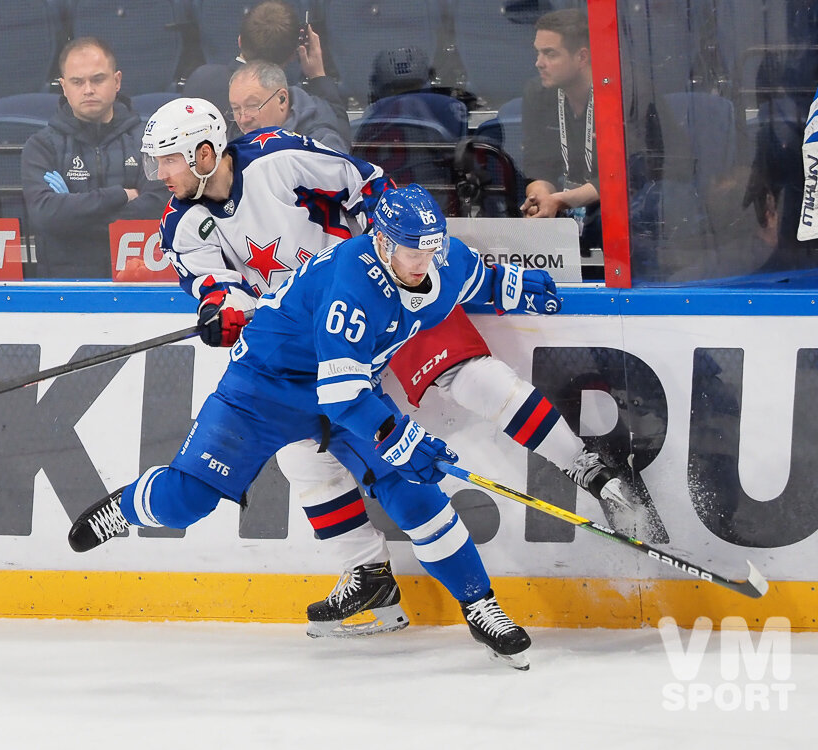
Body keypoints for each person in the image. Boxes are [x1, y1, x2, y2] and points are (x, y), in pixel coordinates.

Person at [134, 98, 641, 639]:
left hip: (387, 292)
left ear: (204, 151)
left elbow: (369, 184)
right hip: (314, 334)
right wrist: (224, 309)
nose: (160, 174)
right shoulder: (181, 224)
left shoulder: (275, 158)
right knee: (306, 458)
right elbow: (213, 288)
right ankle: (369, 578)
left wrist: (395, 258)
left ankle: (586, 467)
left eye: (169, 159)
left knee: (473, 376)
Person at [69, 184, 564, 670]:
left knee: (413, 490)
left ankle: (480, 606)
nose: (424, 262)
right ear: (384, 243)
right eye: (413, 251)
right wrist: (404, 440)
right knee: (185, 502)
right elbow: (343, 396)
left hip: (343, 386)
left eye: (431, 249)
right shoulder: (353, 282)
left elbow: (477, 280)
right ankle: (126, 507)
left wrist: (518, 289)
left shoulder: (441, 258)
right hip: (263, 387)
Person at [21, 37, 168, 278]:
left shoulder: (149, 139)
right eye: (77, 82)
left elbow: (158, 207)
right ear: (64, 86)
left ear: (117, 81)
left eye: (98, 79)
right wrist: (120, 195)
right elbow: (44, 215)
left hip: (138, 278)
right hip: (63, 285)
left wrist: (73, 213)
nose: (88, 89)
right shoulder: (40, 145)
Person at [184, 0, 346, 141]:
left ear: (240, 41)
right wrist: (318, 75)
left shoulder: (200, 80)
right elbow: (340, 141)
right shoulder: (295, 103)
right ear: (293, 54)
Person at [520, 9, 602, 254]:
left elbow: (628, 177)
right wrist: (541, 197)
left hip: (616, 206)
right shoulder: (537, 93)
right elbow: (538, 166)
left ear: (581, 57)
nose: (539, 63)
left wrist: (561, 201)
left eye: (550, 54)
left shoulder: (620, 92)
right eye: (538, 52)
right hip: (564, 200)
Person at [228, 60, 351, 153]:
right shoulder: (231, 140)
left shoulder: (321, 144)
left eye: (252, 106)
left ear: (282, 99)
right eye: (236, 109)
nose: (243, 119)